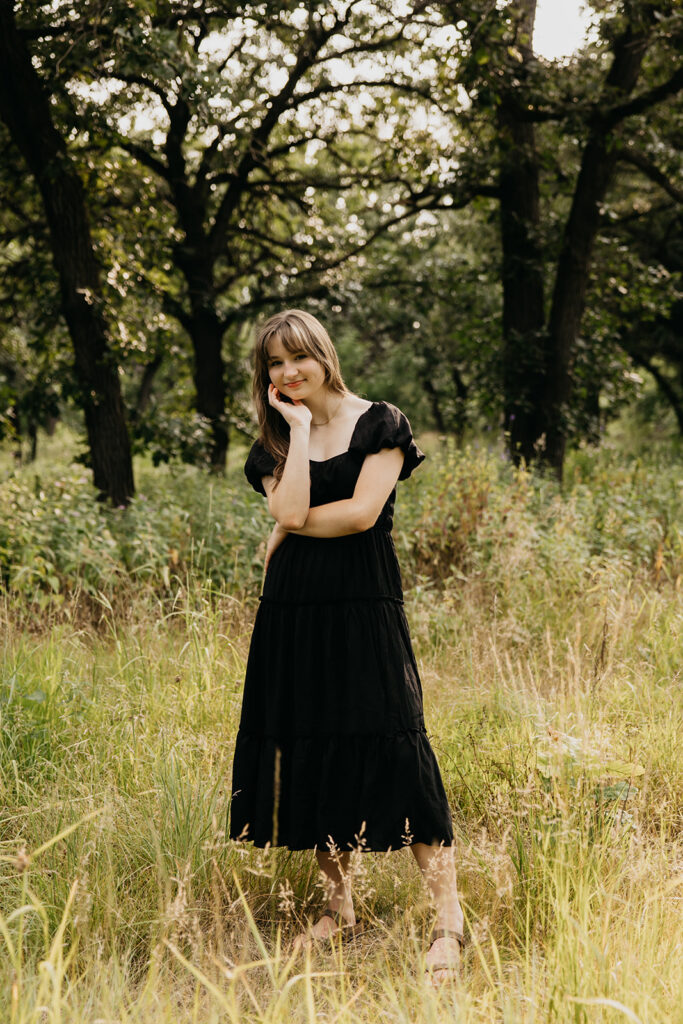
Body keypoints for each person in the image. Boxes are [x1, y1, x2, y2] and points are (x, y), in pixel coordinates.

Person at [229, 309, 464, 984]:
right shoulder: (273, 446)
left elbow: (361, 513)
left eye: (296, 356)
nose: (286, 371)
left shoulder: (380, 423)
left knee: (394, 739)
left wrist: (286, 529)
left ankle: (446, 918)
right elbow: (294, 507)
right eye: (273, 363)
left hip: (362, 603)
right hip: (293, 609)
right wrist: (299, 433)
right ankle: (339, 907)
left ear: (322, 354)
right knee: (311, 741)